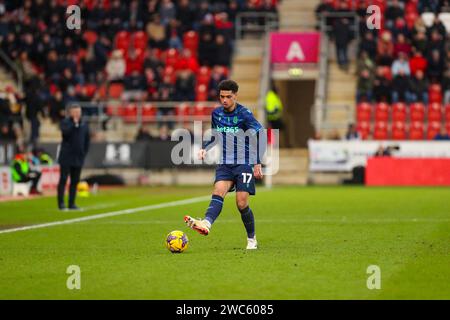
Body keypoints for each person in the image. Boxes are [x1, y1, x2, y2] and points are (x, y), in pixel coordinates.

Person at [184, 80, 265, 250]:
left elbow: (259, 134)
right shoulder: (216, 114)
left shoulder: (245, 114)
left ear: (235, 95)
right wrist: (204, 148)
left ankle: (252, 239)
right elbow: (215, 135)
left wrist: (257, 161)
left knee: (241, 203)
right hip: (225, 164)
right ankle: (206, 223)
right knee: (218, 191)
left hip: (243, 163)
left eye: (229, 96)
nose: (225, 100)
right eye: (222, 96)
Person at [57, 104, 90, 210]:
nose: (77, 114)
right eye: (75, 112)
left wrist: (83, 153)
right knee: (63, 179)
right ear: (70, 113)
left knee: (75, 181)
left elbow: (87, 140)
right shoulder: (65, 123)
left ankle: (72, 203)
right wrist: (74, 124)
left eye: (78, 112)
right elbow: (65, 133)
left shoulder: (84, 124)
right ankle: (61, 203)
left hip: (78, 157)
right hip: (66, 156)